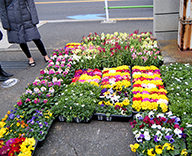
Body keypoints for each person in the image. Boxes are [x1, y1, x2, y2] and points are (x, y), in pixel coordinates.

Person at [0, 0, 51, 67]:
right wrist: (6, 24)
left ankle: (45, 56)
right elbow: (2, 9)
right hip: (13, 20)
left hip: (26, 17)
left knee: (36, 38)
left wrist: (34, 19)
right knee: (21, 40)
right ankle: (30, 58)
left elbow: (31, 4)